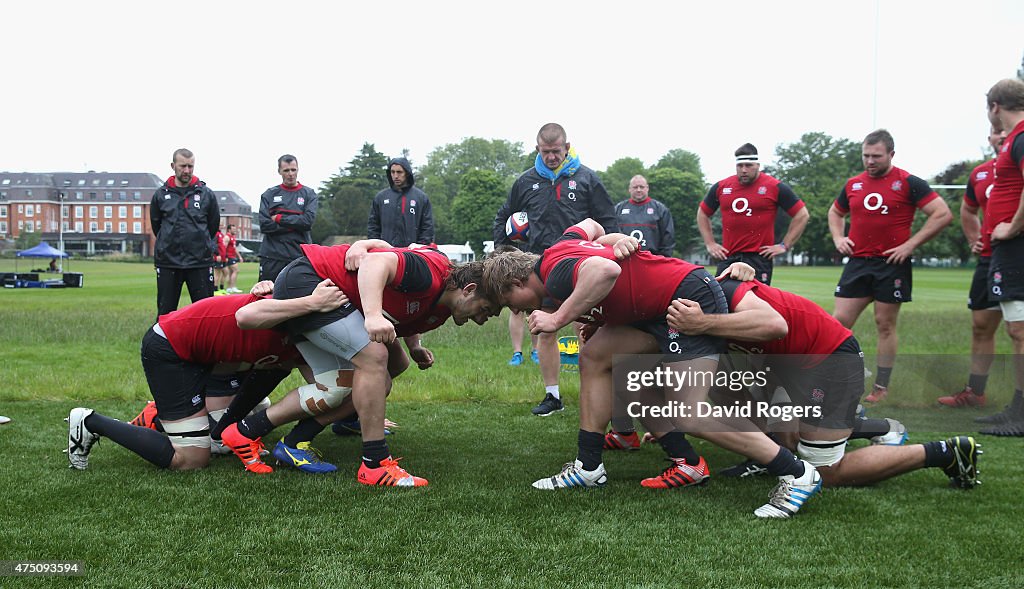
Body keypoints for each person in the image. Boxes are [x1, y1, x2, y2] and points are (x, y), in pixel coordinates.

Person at [483, 219, 822, 518]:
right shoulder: (560, 247)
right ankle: (588, 467)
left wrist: (559, 317)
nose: (522, 312)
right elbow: (591, 226)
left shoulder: (554, 276)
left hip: (683, 301)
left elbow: (605, 271)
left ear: (516, 281)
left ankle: (796, 473)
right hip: (656, 310)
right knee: (595, 356)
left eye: (512, 304)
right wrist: (615, 241)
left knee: (688, 413)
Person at [666, 273, 981, 491]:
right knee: (779, 435)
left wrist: (702, 323)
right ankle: (870, 427)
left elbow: (773, 325)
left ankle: (944, 452)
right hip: (788, 366)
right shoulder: (684, 302)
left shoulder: (722, 290)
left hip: (830, 360)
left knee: (826, 473)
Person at [223, 239, 496, 486]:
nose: (482, 320)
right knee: (374, 359)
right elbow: (379, 259)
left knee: (363, 377)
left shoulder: (446, 304)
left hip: (320, 289)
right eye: (484, 309)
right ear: (469, 290)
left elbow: (410, 303)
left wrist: (414, 345)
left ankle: (254, 433)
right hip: (311, 282)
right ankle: (375, 463)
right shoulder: (431, 272)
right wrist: (373, 313)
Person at [65, 282, 346, 473]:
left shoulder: (305, 336)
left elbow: (328, 384)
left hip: (214, 364)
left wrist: (353, 403)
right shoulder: (278, 312)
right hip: (172, 351)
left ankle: (164, 416)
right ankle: (91, 421)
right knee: (191, 459)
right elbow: (253, 310)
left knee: (252, 415)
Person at [491, 123, 618, 416]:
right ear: (538, 150)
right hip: (541, 269)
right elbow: (504, 216)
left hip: (583, 265)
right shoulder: (525, 181)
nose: (551, 157)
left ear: (567, 146)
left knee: (588, 330)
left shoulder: (587, 178)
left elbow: (607, 219)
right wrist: (504, 252)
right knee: (545, 328)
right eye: (546, 152)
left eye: (556, 151)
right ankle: (553, 396)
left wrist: (614, 248)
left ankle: (594, 389)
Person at [828, 129, 953, 403]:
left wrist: (910, 245)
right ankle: (840, 376)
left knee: (884, 324)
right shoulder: (853, 185)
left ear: (891, 155)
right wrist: (839, 237)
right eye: (866, 156)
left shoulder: (908, 182)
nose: (870, 161)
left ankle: (881, 388)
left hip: (891, 264)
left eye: (876, 156)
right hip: (858, 262)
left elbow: (942, 213)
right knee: (838, 323)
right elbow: (836, 211)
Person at [938, 127, 1006, 409]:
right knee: (980, 326)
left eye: (1006, 131)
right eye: (995, 132)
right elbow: (967, 210)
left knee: (1019, 331)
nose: (1001, 137)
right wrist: (973, 238)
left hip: (1017, 256)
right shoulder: (979, 174)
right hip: (990, 259)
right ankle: (975, 392)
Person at [979, 78, 1024, 435]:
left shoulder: (1021, 137)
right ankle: (1016, 407)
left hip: (1016, 246)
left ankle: (1021, 415)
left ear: (995, 106)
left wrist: (1011, 227)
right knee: (1016, 329)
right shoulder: (1013, 139)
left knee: (1020, 330)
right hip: (1006, 250)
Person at [697, 143, 809, 284]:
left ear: (757, 165)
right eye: (740, 165)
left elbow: (802, 214)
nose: (744, 170)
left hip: (759, 259)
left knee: (756, 302)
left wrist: (784, 245)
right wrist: (710, 243)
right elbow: (702, 213)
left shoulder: (774, 186)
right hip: (729, 257)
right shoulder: (722, 187)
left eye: (749, 165)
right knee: (722, 301)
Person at [150, 148, 220, 317]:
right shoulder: (160, 195)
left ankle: (204, 344)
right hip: (169, 261)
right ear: (173, 166)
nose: (187, 170)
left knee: (205, 312)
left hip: (200, 262)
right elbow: (156, 226)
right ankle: (164, 344)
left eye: (190, 166)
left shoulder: (206, 194)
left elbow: (213, 226)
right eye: (183, 166)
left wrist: (201, 245)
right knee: (166, 312)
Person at [258, 154, 319, 282]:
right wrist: (296, 223)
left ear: (298, 169)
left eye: (293, 169)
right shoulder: (269, 195)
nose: (290, 174)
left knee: (299, 296)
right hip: (272, 256)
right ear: (279, 171)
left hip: (299, 255)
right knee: (268, 297)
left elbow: (307, 222)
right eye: (286, 170)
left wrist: (280, 218)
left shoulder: (309, 194)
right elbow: (265, 225)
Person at [368, 157, 434, 247]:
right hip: (386, 253)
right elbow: (373, 226)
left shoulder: (421, 198)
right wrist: (376, 246)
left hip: (412, 255)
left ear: (407, 173)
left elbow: (427, 227)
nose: (395, 176)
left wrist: (420, 247)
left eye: (399, 172)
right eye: (392, 172)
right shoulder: (380, 198)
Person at [614, 174, 676, 257]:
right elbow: (611, 232)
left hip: (652, 260)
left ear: (647, 188)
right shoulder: (618, 209)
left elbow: (668, 238)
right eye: (635, 187)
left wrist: (663, 259)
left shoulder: (660, 209)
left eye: (642, 187)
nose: (638, 190)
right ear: (629, 189)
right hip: (624, 258)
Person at [221, 223, 244, 293]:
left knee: (231, 272)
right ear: (229, 230)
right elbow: (223, 247)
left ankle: (229, 288)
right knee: (236, 270)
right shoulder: (227, 237)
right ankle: (232, 287)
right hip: (229, 257)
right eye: (233, 229)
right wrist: (225, 257)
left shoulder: (232, 237)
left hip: (232, 257)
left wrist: (239, 256)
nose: (235, 231)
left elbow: (234, 248)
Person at [213, 223, 228, 294]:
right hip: (218, 257)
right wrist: (217, 254)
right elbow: (214, 244)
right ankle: (215, 289)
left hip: (223, 257)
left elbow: (223, 246)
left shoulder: (221, 234)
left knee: (225, 272)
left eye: (222, 225)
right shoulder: (215, 234)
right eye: (220, 225)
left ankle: (221, 287)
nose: (221, 226)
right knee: (217, 273)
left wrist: (226, 256)